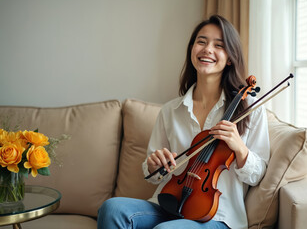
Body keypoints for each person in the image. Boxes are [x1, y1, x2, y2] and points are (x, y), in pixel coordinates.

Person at [97, 15, 270, 229]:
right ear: (192, 49)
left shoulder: (250, 108)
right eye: (201, 41)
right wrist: (154, 165)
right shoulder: (170, 110)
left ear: (230, 57)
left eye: (219, 45)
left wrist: (240, 149)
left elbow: (259, 174)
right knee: (112, 208)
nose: (207, 49)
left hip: (217, 216)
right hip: (170, 204)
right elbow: (151, 174)